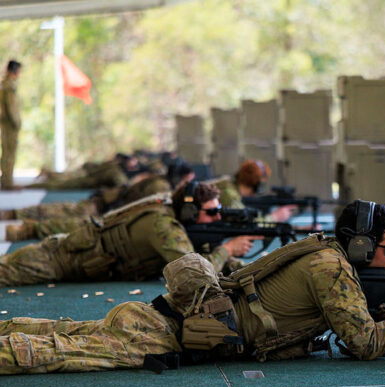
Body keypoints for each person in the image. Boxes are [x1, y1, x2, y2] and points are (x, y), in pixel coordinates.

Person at [0, 200, 385, 374]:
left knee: (55, 331)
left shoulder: (337, 264)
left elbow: (382, 325)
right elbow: (364, 343)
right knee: (43, 352)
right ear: (360, 247)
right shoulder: (331, 271)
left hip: (157, 319)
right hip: (160, 334)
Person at [0, 181, 259, 287]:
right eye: (211, 213)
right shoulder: (162, 226)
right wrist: (227, 249)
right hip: (57, 259)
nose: (217, 218)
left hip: (74, 260)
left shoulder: (168, 212)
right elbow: (192, 273)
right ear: (190, 212)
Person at [1, 162, 195, 240]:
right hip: (104, 208)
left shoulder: (159, 183)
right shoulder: (160, 187)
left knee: (61, 213)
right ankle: (19, 220)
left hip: (106, 205)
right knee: (63, 218)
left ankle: (17, 217)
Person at [0, 60, 21, 190]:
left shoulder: (3, 85)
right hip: (9, 123)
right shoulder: (8, 86)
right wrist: (16, 122)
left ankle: (7, 179)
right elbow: (11, 107)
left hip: (5, 122)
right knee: (9, 152)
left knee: (7, 151)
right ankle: (7, 182)